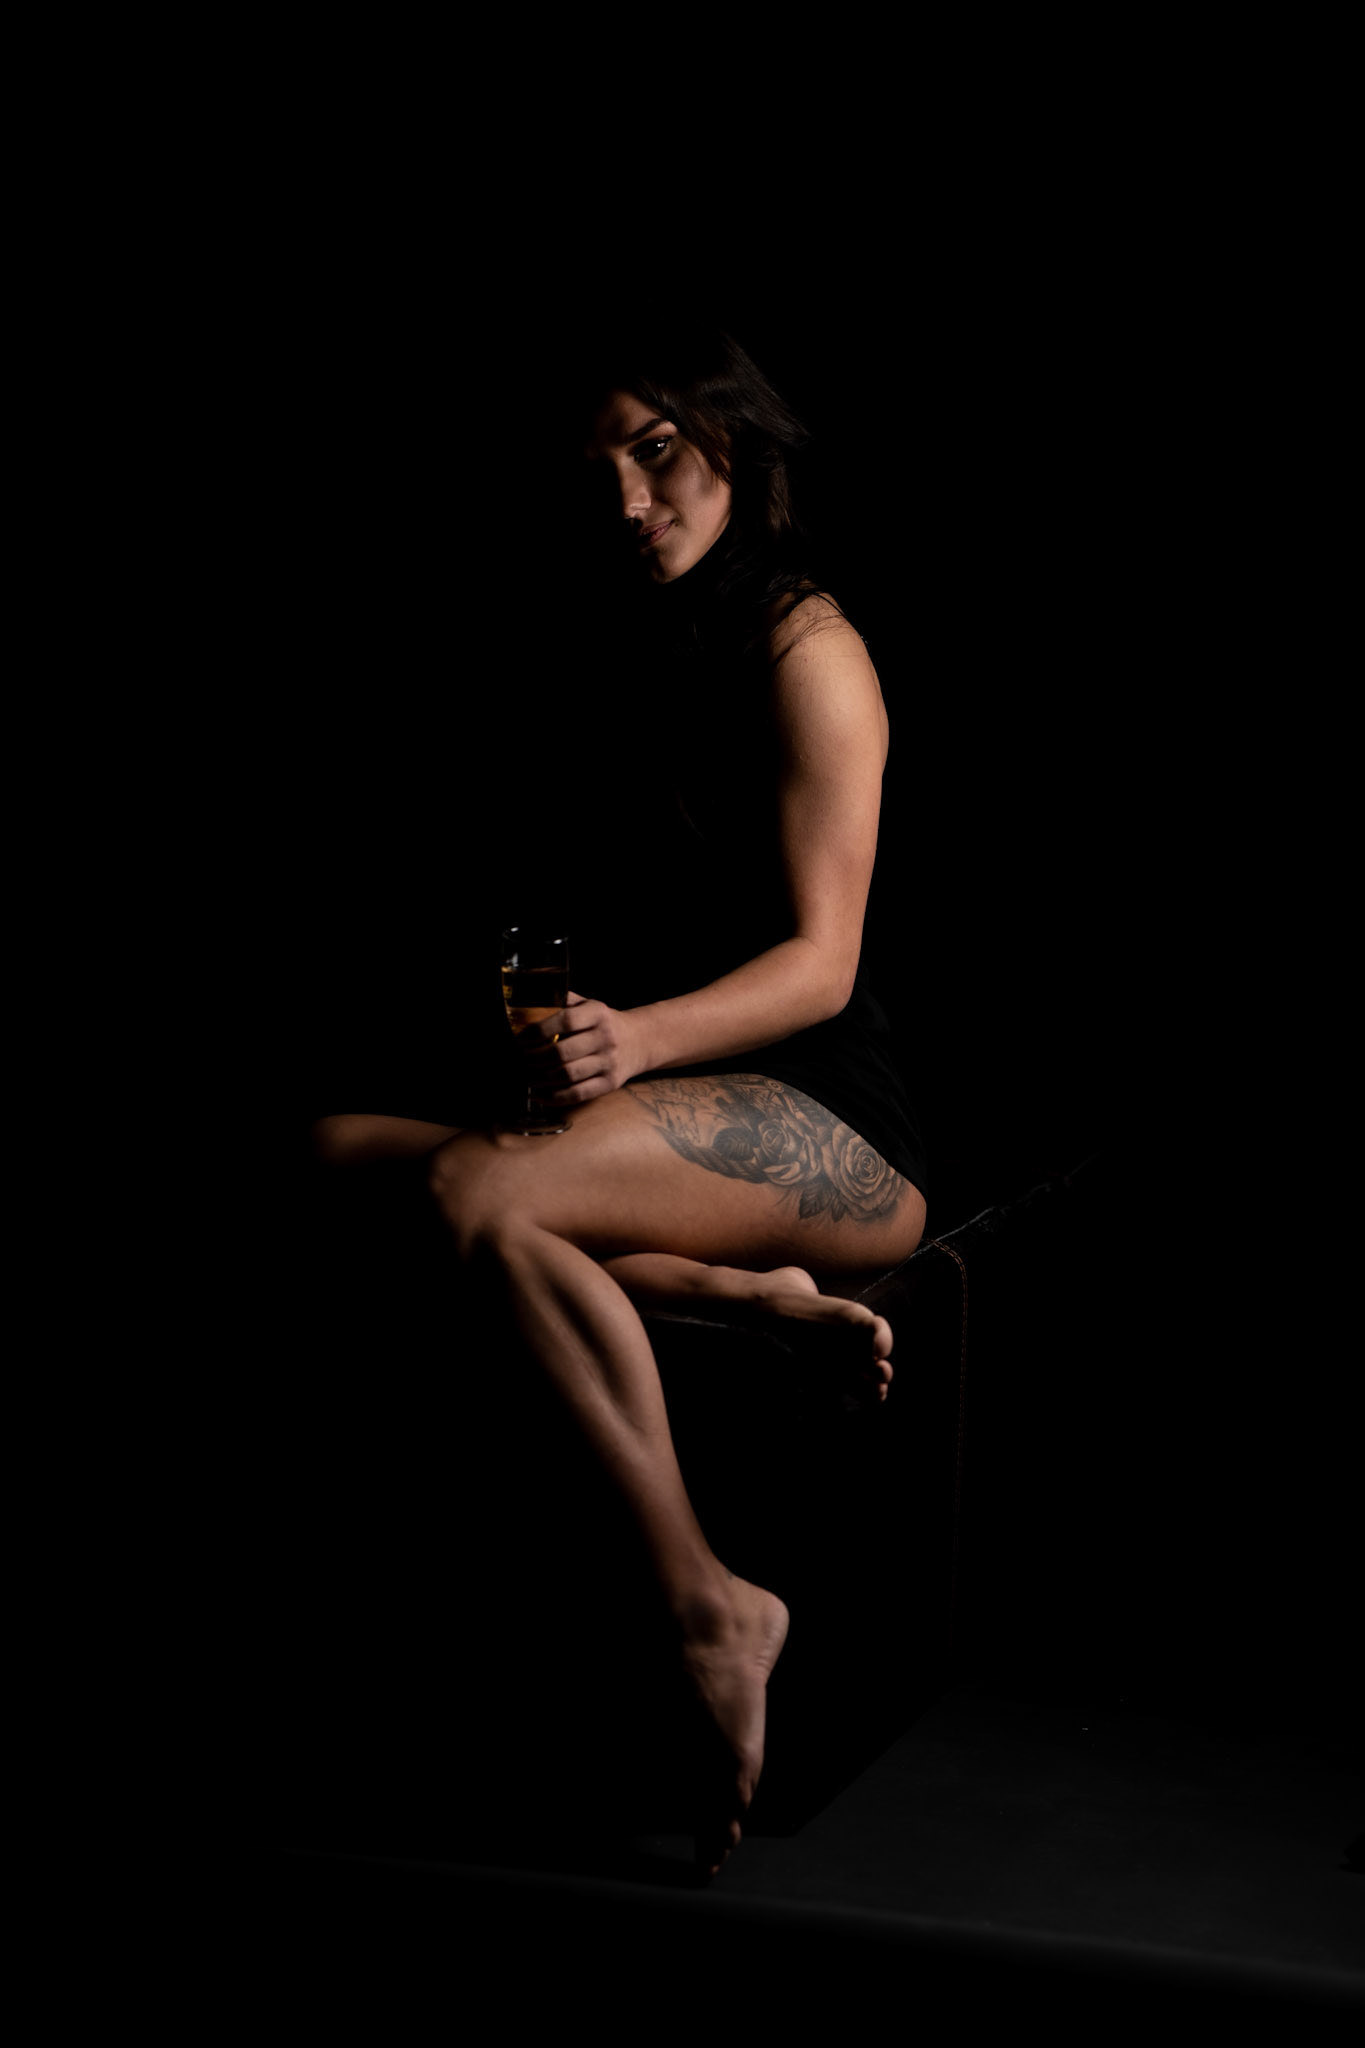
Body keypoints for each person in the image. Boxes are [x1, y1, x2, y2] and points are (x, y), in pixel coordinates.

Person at [308, 327, 928, 1876]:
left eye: (656, 451)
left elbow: (823, 963)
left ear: (731, 440)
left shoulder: (806, 646)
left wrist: (635, 1041)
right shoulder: (608, 642)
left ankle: (709, 1604)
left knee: (472, 1193)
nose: (630, 500)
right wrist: (553, 1027)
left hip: (824, 1116)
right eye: (596, 469)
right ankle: (709, 1287)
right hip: (662, 1106)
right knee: (326, 1149)